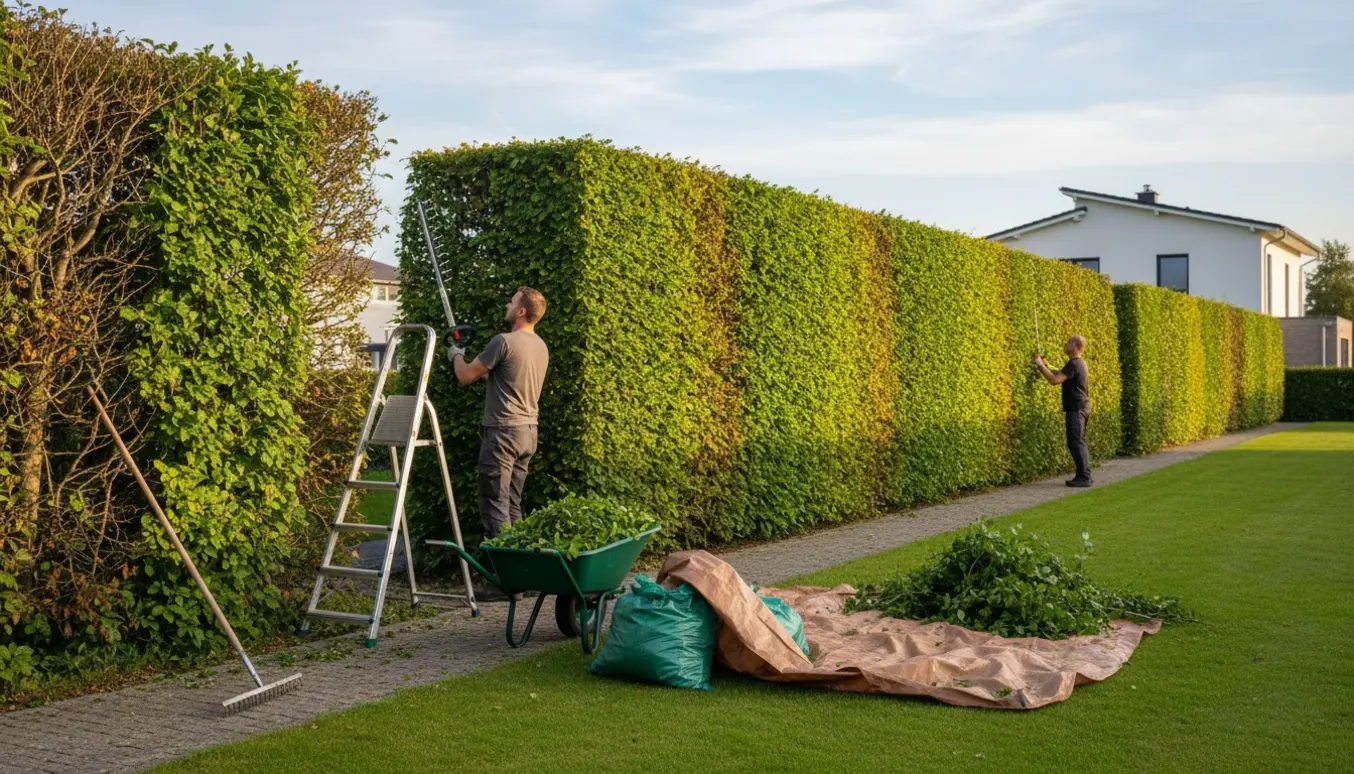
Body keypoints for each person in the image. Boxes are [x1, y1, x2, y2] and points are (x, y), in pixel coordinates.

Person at [449, 287, 550, 538]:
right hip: (528, 433)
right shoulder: (540, 346)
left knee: (495, 506)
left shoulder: (503, 341)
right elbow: (507, 380)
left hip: (503, 434)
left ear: (521, 311)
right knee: (512, 506)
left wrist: (456, 354)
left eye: (512, 301)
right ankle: (521, 567)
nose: (508, 304)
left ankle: (505, 571)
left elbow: (465, 376)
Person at [1034, 335, 1093, 488]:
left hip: (1077, 408)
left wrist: (1040, 365)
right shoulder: (1076, 364)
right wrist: (1046, 365)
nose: (1065, 344)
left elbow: (1055, 380)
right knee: (1077, 441)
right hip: (1081, 407)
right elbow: (1060, 373)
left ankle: (1084, 477)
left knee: (1076, 441)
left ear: (1077, 347)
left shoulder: (1074, 363)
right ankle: (1083, 475)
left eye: (1069, 342)